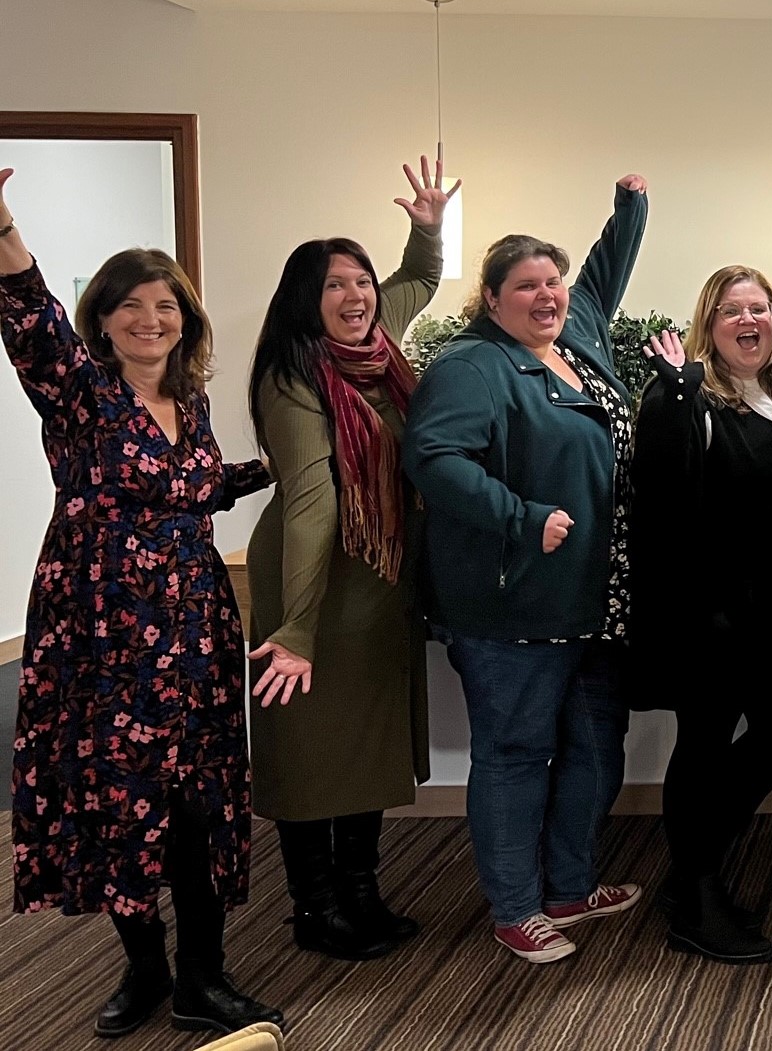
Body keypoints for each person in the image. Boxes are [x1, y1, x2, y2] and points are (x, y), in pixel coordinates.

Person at [1, 166, 283, 1036]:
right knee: (120, 802)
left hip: (194, 629)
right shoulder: (80, 394)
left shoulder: (189, 405)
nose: (150, 320)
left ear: (184, 320)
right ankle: (145, 968)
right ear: (105, 319)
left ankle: (204, 975)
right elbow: (30, 319)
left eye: (166, 307)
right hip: (102, 635)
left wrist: (287, 469)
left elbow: (193, 488)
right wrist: (4, 228)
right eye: (132, 306)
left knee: (196, 807)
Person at [402, 175, 650, 965]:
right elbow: (434, 458)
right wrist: (523, 515)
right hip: (515, 606)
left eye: (554, 282)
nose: (546, 296)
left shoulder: (575, 338)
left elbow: (602, 277)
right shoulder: (473, 366)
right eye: (527, 286)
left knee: (594, 748)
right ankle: (514, 906)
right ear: (491, 296)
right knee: (514, 754)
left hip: (594, 600)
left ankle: (570, 887)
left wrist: (630, 206)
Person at [244, 154, 455, 961]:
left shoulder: (378, 350)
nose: (357, 295)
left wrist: (426, 230)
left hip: (377, 575)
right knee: (305, 740)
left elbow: (417, 279)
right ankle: (314, 905)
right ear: (308, 299)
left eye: (360, 281)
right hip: (313, 572)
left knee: (365, 736)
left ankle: (363, 889)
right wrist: (296, 626)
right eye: (335, 285)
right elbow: (311, 496)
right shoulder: (292, 371)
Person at [631, 266, 772, 965]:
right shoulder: (689, 396)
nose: (749, 320)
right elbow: (658, 491)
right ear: (708, 323)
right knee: (703, 747)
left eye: (760, 308)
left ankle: (690, 869)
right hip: (711, 618)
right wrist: (676, 392)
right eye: (732, 310)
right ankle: (698, 896)